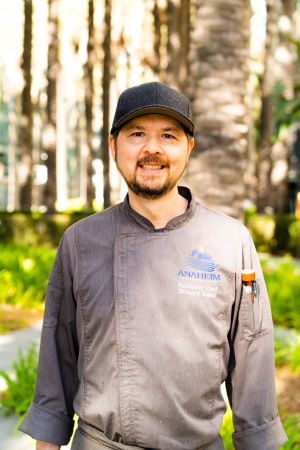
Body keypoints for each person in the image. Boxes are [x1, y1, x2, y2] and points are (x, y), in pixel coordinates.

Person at [20, 82, 287, 450]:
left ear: (188, 147)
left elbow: (253, 353)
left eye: (168, 135)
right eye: (137, 134)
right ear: (113, 146)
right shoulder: (80, 242)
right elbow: (57, 357)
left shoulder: (230, 242)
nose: (152, 149)